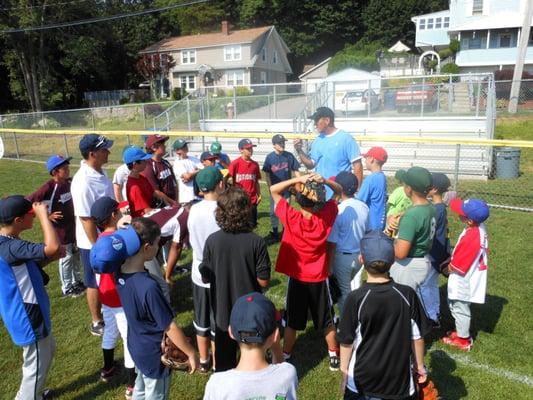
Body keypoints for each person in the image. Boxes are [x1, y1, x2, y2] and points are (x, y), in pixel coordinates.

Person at [338, 230, 431, 400]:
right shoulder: (408, 295)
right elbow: (417, 337)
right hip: (400, 385)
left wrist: (344, 371)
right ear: (393, 260)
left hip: (361, 382)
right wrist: (419, 367)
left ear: (361, 260)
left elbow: (346, 340)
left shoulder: (355, 298)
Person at [114, 219, 199, 398]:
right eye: (157, 243)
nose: (158, 247)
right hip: (154, 354)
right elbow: (170, 327)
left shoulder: (119, 272)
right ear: (146, 247)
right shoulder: (149, 287)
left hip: (136, 345)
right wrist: (191, 353)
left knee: (140, 388)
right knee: (155, 393)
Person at [270, 173, 342, 370]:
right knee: (327, 318)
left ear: (298, 200)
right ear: (319, 201)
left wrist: (296, 180)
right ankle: (334, 354)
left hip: (298, 277)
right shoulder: (326, 217)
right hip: (318, 277)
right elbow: (339, 191)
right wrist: (324, 181)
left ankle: (286, 354)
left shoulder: (291, 216)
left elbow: (273, 190)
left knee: (293, 320)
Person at [199, 186, 271, 372]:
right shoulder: (256, 241)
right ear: (247, 211)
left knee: (224, 364)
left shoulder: (212, 241)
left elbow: (206, 278)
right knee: (254, 362)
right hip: (250, 312)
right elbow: (264, 281)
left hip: (223, 312)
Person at [0, 196, 61, 400]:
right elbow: (51, 246)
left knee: (47, 352)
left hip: (26, 311)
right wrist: (45, 216)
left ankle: (33, 392)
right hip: (28, 315)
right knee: (36, 365)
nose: (33, 218)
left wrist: (50, 258)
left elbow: (23, 266)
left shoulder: (8, 242)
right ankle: (27, 396)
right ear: (18, 220)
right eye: (31, 215)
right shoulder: (11, 247)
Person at [203, 292, 298, 400]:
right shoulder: (288, 373)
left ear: (231, 333)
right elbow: (281, 368)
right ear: (275, 336)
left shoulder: (217, 384)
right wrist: (276, 348)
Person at [89, 197, 136, 399]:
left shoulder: (99, 241)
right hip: (120, 297)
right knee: (129, 340)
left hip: (106, 296)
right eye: (117, 211)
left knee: (110, 332)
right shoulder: (118, 240)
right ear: (112, 216)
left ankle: (107, 368)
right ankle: (132, 384)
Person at [71, 133, 114, 336]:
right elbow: (86, 219)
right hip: (92, 243)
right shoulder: (82, 182)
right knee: (93, 281)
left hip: (108, 234)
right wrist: (98, 247)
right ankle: (97, 320)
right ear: (92, 153)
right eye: (104, 149)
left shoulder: (100, 172)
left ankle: (112, 308)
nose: (108, 152)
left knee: (109, 275)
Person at [27, 154, 83, 297]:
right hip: (60, 230)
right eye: (64, 168)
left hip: (73, 227)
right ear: (55, 172)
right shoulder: (49, 187)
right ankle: (67, 287)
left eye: (67, 166)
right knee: (66, 257)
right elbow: (28, 202)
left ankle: (77, 282)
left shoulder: (68, 183)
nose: (67, 169)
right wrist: (46, 215)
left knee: (76, 255)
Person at [188, 167, 224, 373]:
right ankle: (218, 362)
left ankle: (203, 360)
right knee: (217, 319)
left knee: (201, 318)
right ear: (219, 184)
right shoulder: (222, 208)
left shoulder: (194, 209)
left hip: (198, 270)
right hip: (218, 271)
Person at [442, 198, 489, 351]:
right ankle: (461, 332)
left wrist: (447, 268)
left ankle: (463, 340)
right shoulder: (478, 227)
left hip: (464, 278)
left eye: (461, 212)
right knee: (458, 305)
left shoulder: (472, 236)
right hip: (470, 273)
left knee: (459, 306)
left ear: (469, 220)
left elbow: (460, 264)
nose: (458, 213)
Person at [293, 106, 362, 198]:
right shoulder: (318, 140)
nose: (315, 124)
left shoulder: (345, 138)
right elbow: (310, 164)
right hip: (320, 194)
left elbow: (358, 166)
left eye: (317, 120)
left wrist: (356, 191)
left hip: (340, 195)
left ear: (327, 120)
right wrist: (299, 150)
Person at [388, 166, 436, 298]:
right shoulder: (430, 207)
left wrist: (387, 241)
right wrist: (397, 216)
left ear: (409, 189)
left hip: (408, 265)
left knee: (402, 304)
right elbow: (415, 215)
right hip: (422, 260)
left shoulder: (412, 216)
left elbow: (401, 253)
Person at [327, 171, 369, 313]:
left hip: (342, 258)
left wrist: (328, 267)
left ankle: (348, 326)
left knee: (343, 295)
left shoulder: (338, 210)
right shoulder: (364, 206)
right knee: (349, 290)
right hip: (359, 256)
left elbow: (332, 243)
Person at [420, 172, 452, 325]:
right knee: (431, 285)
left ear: (433, 189)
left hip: (432, 254)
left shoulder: (436, 210)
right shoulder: (440, 207)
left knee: (424, 285)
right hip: (439, 252)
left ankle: (428, 316)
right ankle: (434, 313)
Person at [262, 134, 300, 243]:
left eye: (283, 142)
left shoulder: (289, 156)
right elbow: (267, 174)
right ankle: (275, 232)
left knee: (286, 212)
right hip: (275, 191)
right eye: (280, 143)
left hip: (287, 190)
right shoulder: (270, 157)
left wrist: (299, 182)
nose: (282, 144)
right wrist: (270, 189)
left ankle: (285, 233)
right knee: (274, 212)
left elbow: (296, 169)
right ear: (274, 145)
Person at [227, 138, 262, 227]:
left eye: (251, 148)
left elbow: (256, 181)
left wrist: (259, 194)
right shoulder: (235, 163)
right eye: (248, 148)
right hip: (239, 199)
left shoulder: (255, 165)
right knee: (240, 224)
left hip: (252, 199)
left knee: (252, 224)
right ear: (241, 150)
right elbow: (226, 178)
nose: (251, 150)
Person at [357, 146, 388, 231]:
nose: (365, 161)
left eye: (366, 158)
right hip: (380, 223)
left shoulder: (371, 179)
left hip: (371, 225)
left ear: (371, 159)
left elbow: (359, 201)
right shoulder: (382, 177)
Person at [143, 134, 178, 207]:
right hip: (160, 206)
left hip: (172, 203)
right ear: (154, 147)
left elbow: (174, 184)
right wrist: (172, 202)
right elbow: (155, 191)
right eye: (162, 144)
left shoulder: (166, 163)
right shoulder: (148, 166)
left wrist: (176, 201)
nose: (165, 146)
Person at [124, 146, 156, 218]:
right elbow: (147, 211)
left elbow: (154, 193)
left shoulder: (142, 177)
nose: (146, 162)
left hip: (150, 215)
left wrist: (170, 202)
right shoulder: (134, 187)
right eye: (143, 160)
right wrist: (164, 212)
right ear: (135, 164)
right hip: (143, 224)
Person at [172, 139, 201, 204]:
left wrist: (192, 174)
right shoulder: (177, 163)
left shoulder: (193, 158)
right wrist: (197, 172)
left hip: (197, 195)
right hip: (186, 198)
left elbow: (204, 170)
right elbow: (187, 177)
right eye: (183, 147)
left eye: (185, 145)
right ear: (177, 151)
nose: (186, 147)